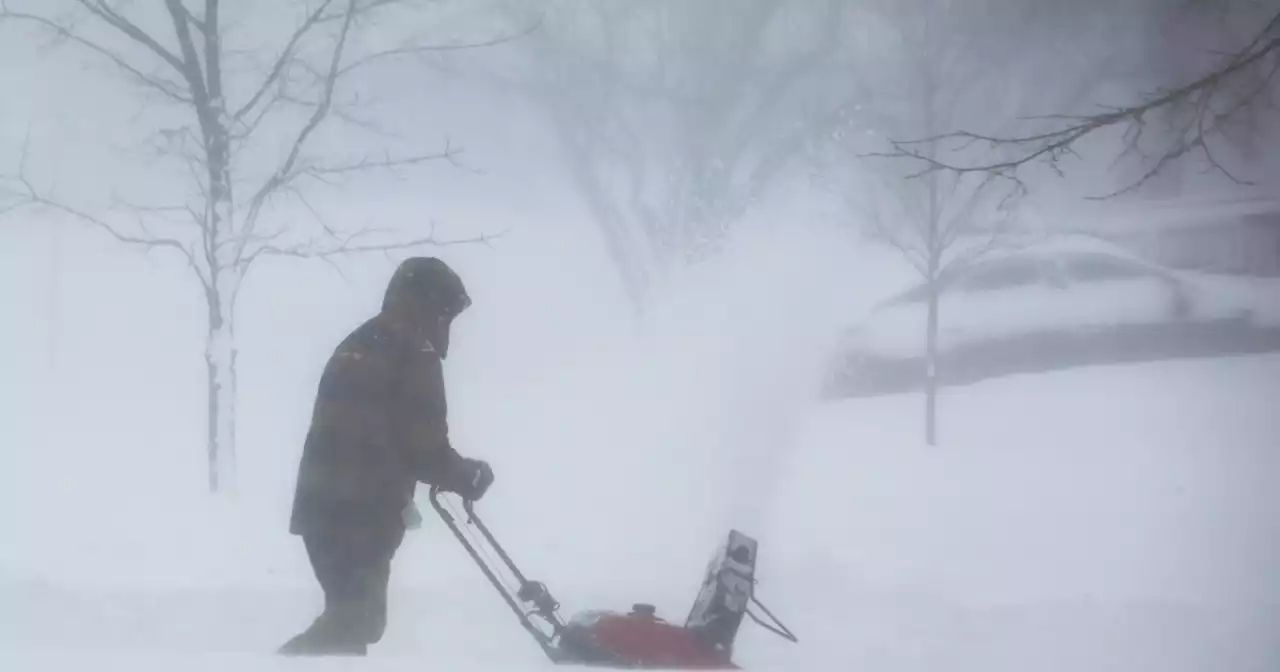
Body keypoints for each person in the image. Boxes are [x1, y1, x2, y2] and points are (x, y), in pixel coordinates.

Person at [278, 256, 494, 657]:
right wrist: (469, 477)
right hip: (360, 511)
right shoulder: (414, 350)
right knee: (355, 621)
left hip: (320, 506)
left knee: (350, 620)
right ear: (434, 307)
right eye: (447, 313)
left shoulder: (362, 340)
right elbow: (424, 446)